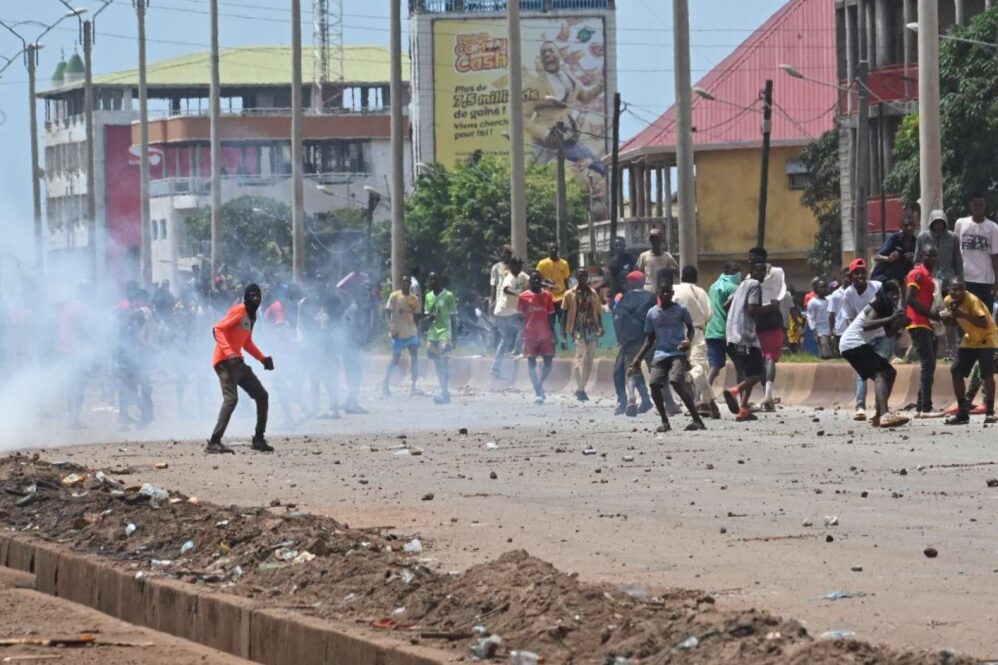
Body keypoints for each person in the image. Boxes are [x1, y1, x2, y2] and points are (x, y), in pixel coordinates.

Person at [630, 271, 707, 433]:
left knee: (675, 382)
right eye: (662, 292)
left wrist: (688, 339)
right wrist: (638, 359)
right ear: (657, 294)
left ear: (672, 293)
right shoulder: (652, 313)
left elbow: (691, 330)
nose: (665, 294)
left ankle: (697, 419)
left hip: (677, 353)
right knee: (653, 384)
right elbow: (650, 339)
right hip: (661, 354)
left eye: (668, 292)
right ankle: (665, 421)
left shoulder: (681, 310)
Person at [207, 283, 275, 454]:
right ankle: (214, 441)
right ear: (246, 297)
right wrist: (229, 353)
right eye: (252, 296)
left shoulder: (253, 317)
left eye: (258, 296)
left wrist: (262, 359)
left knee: (262, 395)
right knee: (231, 399)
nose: (256, 299)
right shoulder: (239, 310)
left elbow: (246, 342)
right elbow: (218, 329)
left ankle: (258, 439)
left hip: (238, 363)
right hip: (225, 361)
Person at [838, 282, 909, 428]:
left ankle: (878, 415)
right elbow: (867, 324)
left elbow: (889, 333)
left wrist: (900, 323)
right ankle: (884, 415)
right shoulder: (878, 303)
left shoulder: (889, 309)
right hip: (852, 343)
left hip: (857, 344)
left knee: (890, 372)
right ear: (884, 294)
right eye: (891, 293)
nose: (894, 296)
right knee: (880, 374)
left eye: (896, 293)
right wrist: (891, 319)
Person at [940, 276, 998, 424]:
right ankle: (963, 412)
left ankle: (990, 412)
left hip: (987, 337)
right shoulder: (948, 301)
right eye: (954, 289)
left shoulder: (972, 300)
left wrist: (963, 315)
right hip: (970, 338)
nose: (958, 293)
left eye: (961, 289)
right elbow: (953, 323)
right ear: (949, 290)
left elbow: (984, 323)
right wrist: (948, 320)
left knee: (987, 373)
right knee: (956, 370)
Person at [721, 261, 768, 422]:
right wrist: (772, 308)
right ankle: (734, 391)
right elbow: (752, 309)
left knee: (749, 373)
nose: (763, 274)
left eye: (764, 271)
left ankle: (743, 409)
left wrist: (735, 318)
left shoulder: (741, 286)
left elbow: (726, 305)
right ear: (752, 272)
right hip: (745, 337)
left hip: (732, 336)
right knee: (758, 374)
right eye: (760, 270)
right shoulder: (754, 284)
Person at [839, 259, 885, 421]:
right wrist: (858, 335)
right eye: (856, 273)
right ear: (850, 277)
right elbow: (849, 318)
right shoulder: (849, 294)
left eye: (862, 272)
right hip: (861, 338)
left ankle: (881, 409)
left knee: (882, 371)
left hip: (881, 335)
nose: (860, 275)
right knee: (862, 372)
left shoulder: (877, 287)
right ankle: (860, 407)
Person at [673, 265, 720, 418]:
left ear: (682, 277)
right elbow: (708, 314)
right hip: (697, 331)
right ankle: (706, 403)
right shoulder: (700, 292)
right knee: (698, 368)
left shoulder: (675, 290)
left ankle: (695, 403)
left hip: (677, 332)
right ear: (696, 278)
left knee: (683, 368)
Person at [905, 245, 944, 418]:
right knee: (928, 364)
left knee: (930, 364)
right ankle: (925, 408)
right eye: (929, 255)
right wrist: (931, 314)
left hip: (927, 324)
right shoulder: (917, 274)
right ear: (922, 256)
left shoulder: (930, 277)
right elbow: (909, 299)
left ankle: (921, 406)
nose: (933, 259)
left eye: (935, 255)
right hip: (918, 323)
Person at [612, 270, 656, 416]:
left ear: (629, 283)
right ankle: (650, 400)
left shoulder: (623, 298)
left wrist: (621, 338)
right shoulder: (652, 297)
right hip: (650, 339)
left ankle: (626, 400)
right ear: (643, 282)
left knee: (622, 371)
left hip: (630, 340)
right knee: (654, 370)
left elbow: (617, 318)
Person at [748, 247, 786, 412]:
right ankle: (767, 396)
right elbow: (781, 291)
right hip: (771, 317)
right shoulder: (777, 272)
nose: (750, 260)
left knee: (766, 359)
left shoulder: (751, 277)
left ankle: (767, 396)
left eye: (752, 258)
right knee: (769, 358)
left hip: (760, 319)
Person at [563, 268, 604, 401]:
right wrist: (565, 330)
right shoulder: (570, 294)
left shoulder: (593, 293)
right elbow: (564, 312)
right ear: (576, 277)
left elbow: (598, 312)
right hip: (577, 329)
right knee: (581, 355)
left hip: (591, 328)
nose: (582, 278)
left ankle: (582, 388)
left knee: (590, 358)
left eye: (584, 276)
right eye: (580, 276)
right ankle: (580, 389)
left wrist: (601, 327)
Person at [954, 192, 998, 312]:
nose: (978, 207)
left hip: (985, 280)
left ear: (985, 206)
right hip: (966, 279)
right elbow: (956, 251)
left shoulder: (993, 228)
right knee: (966, 313)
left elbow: (995, 256)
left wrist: (996, 281)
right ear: (970, 205)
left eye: (980, 205)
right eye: (975, 204)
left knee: (984, 315)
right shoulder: (960, 224)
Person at [518, 271, 557, 404]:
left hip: (545, 334)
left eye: (538, 279)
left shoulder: (547, 296)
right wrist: (521, 335)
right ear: (530, 282)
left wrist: (554, 334)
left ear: (541, 281)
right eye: (533, 279)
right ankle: (538, 392)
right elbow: (520, 317)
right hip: (530, 335)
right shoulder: (523, 297)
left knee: (548, 363)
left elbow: (551, 317)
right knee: (531, 363)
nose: (535, 282)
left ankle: (539, 384)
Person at [382, 275, 422, 397]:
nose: (406, 284)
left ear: (410, 284)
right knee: (395, 359)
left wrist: (418, 333)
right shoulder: (394, 296)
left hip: (411, 332)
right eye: (404, 282)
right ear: (401, 283)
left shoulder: (414, 299)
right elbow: (386, 312)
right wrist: (391, 326)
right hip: (398, 333)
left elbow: (416, 317)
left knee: (415, 358)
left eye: (408, 282)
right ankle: (385, 383)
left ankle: (413, 387)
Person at [491, 256, 530, 379]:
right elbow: (507, 289)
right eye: (517, 265)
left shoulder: (522, 275)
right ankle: (516, 352)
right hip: (505, 311)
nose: (519, 267)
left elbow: (532, 282)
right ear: (511, 266)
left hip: (507, 312)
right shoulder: (509, 278)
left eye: (520, 265)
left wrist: (544, 284)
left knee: (506, 339)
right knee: (523, 326)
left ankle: (495, 368)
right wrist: (519, 295)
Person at [706, 262, 741, 390]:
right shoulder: (733, 288)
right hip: (728, 332)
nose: (738, 273)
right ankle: (741, 399)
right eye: (736, 270)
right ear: (728, 271)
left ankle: (702, 398)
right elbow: (730, 308)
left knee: (714, 367)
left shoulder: (713, 286)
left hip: (711, 330)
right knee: (740, 364)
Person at [424, 272, 456, 405]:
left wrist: (455, 337)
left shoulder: (448, 296)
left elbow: (453, 316)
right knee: (437, 364)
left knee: (444, 363)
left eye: (435, 279)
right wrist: (428, 318)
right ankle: (444, 391)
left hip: (445, 333)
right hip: (432, 335)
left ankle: (444, 392)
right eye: (431, 279)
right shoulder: (428, 296)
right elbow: (427, 316)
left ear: (440, 280)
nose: (433, 281)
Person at [537, 243, 571, 341]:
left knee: (563, 319)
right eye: (551, 248)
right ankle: (553, 338)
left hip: (561, 296)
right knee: (549, 320)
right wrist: (547, 284)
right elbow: (538, 280)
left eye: (555, 248)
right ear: (548, 250)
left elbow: (566, 280)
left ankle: (563, 338)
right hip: (547, 297)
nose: (553, 250)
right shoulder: (542, 264)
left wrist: (568, 294)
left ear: (558, 250)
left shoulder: (564, 263)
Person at [872, 213, 918, 286]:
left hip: (900, 281)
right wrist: (888, 258)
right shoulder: (894, 239)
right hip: (883, 278)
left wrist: (913, 260)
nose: (909, 227)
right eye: (907, 225)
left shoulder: (915, 242)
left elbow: (917, 263)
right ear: (901, 227)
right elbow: (876, 256)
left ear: (915, 226)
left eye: (911, 225)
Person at [917, 209, 963, 282]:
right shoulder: (922, 237)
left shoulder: (953, 238)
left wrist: (961, 280)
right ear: (931, 223)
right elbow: (917, 259)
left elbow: (958, 262)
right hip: (928, 279)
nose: (938, 225)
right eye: (935, 223)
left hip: (948, 280)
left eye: (941, 222)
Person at [806, 279, 833, 359]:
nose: (823, 289)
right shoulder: (812, 302)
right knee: (825, 351)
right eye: (821, 287)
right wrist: (814, 332)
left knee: (832, 354)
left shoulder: (829, 300)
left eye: (825, 287)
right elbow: (811, 318)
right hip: (820, 330)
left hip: (829, 329)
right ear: (816, 289)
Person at [488, 246, 513, 314]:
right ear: (502, 254)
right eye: (505, 253)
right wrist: (492, 300)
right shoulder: (496, 267)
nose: (507, 255)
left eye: (509, 253)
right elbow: (493, 284)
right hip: (500, 297)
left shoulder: (515, 267)